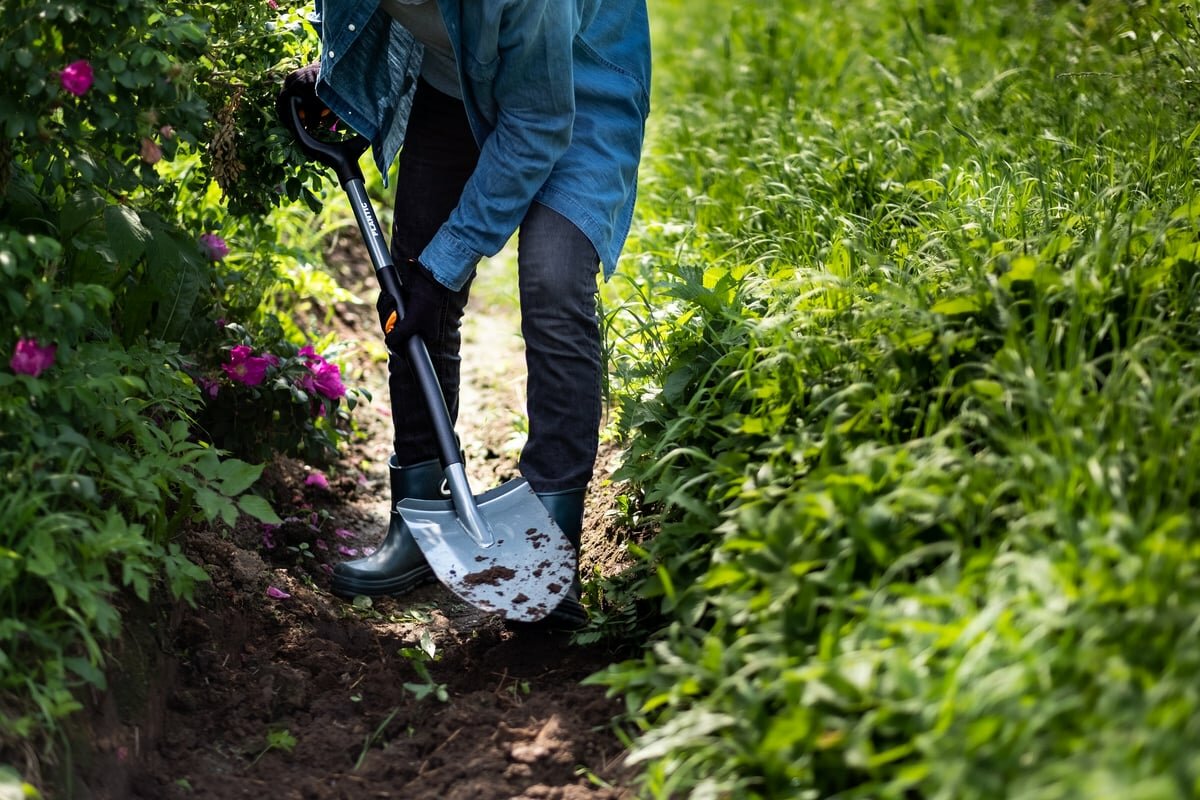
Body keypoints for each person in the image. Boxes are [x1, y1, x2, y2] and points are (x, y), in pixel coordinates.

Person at [277, 0, 651, 630]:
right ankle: (419, 518)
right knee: (411, 294)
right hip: (450, 82)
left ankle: (551, 546)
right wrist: (333, 74)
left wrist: (441, 269)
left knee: (554, 281)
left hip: (580, 83)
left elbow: (538, 123)